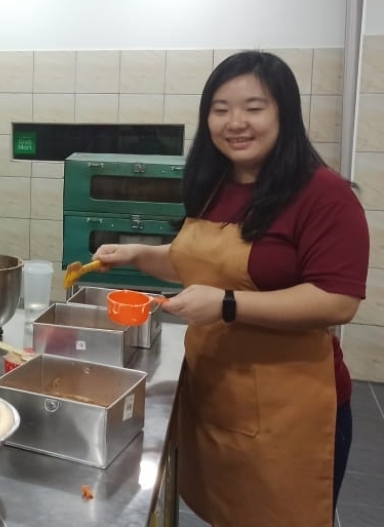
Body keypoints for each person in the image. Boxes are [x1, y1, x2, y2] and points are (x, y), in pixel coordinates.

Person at [93, 51, 368, 526]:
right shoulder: (215, 182)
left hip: (290, 406)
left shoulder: (323, 194)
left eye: (254, 107)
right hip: (217, 389)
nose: (235, 122)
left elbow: (337, 299)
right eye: (220, 109)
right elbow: (200, 265)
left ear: (284, 112)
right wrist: (137, 253)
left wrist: (226, 305)